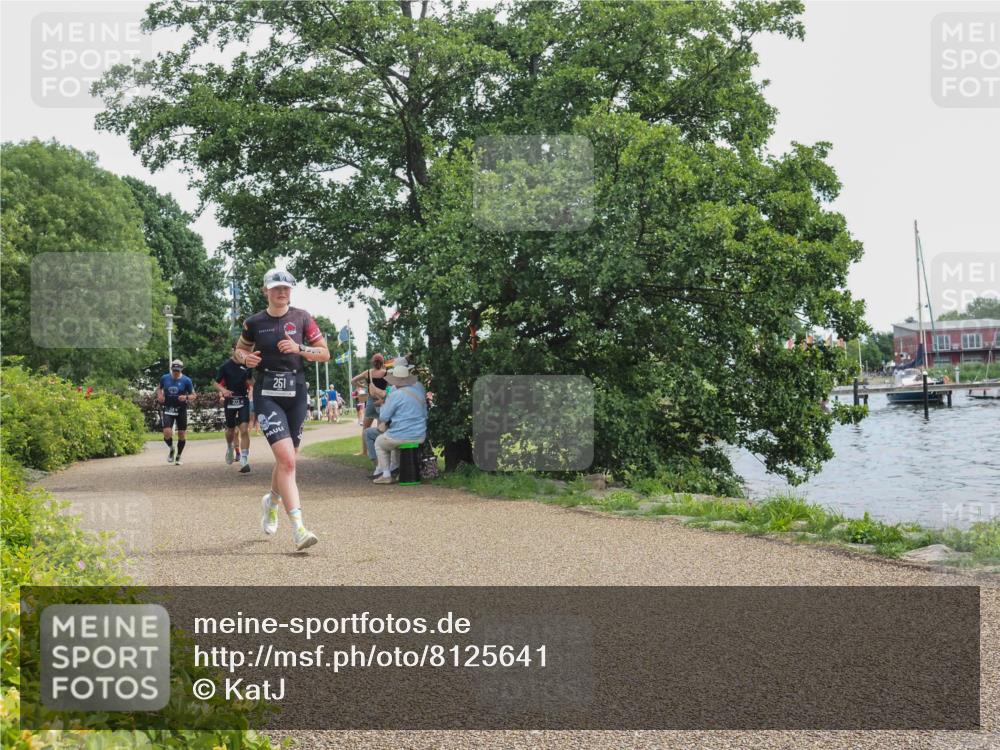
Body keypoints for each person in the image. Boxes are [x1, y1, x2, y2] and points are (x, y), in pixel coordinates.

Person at [233, 268, 329, 551]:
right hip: (267, 394)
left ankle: (271, 501)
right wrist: (245, 358)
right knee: (287, 460)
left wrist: (299, 348)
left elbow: (324, 353)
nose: (282, 291)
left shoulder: (302, 317)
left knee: (288, 460)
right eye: (276, 287)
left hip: (296, 393)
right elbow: (238, 351)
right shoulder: (254, 322)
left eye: (286, 287)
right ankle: (299, 529)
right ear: (266, 290)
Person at [372, 359, 427, 484]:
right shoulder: (418, 391)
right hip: (420, 434)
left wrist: (383, 405)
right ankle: (398, 471)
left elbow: (384, 416)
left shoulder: (396, 394)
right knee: (395, 443)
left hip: (402, 435)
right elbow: (424, 413)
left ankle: (386, 475)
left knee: (379, 443)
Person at [214, 350, 254, 472]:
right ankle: (230, 447)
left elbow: (250, 381)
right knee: (231, 429)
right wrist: (223, 391)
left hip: (243, 399)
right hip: (230, 400)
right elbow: (215, 382)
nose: (242, 354)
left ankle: (244, 459)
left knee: (244, 429)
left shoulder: (247, 365)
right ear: (233, 351)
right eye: (239, 351)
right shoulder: (225, 366)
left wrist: (254, 385)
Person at [156, 359, 195, 466]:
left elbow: (193, 395)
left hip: (181, 409)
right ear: (171, 369)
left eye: (178, 370)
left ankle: (178, 456)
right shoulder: (165, 378)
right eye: (174, 370)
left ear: (182, 369)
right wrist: (160, 395)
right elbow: (159, 388)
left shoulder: (187, 380)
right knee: (167, 433)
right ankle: (171, 448)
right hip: (168, 408)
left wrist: (186, 397)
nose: (176, 372)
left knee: (181, 435)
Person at [352, 353, 388, 455]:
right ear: (382, 362)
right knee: (381, 429)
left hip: (371, 401)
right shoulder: (386, 373)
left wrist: (362, 386)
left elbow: (353, 381)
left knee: (365, 428)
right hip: (382, 401)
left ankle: (364, 451)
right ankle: (381, 451)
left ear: (373, 362)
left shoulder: (368, 372)